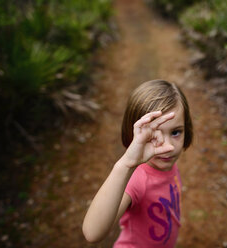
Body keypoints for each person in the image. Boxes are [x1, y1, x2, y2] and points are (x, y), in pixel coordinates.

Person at [82, 79, 193, 247]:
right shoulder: (137, 178)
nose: (168, 146)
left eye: (176, 132)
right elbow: (92, 232)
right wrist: (126, 164)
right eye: (154, 135)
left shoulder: (168, 164)